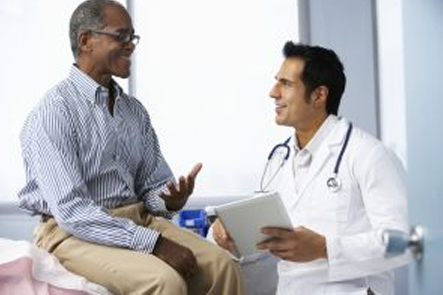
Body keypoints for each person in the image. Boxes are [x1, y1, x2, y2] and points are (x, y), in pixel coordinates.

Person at [17, 1, 244, 294]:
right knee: (164, 282)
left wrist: (168, 200)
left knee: (224, 265)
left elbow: (151, 186)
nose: (130, 46)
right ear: (86, 40)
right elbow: (72, 211)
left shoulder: (133, 111)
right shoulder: (54, 112)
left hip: (138, 221)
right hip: (72, 232)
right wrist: (155, 243)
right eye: (121, 36)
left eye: (132, 38)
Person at [212, 41, 408, 294]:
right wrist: (231, 234)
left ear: (318, 95)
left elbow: (402, 242)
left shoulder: (369, 155)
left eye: (286, 84)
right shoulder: (279, 160)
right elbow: (265, 240)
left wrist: (324, 248)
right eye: (276, 82)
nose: (273, 92)